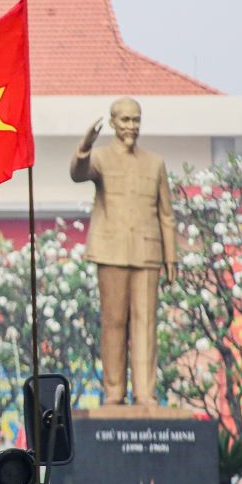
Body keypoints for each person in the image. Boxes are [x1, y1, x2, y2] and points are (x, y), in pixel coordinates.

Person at [70, 97, 177, 406]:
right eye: (125, 120)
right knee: (114, 323)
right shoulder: (100, 158)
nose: (131, 126)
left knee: (146, 325)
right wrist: (84, 146)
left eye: (136, 120)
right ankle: (114, 392)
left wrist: (171, 256)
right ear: (114, 122)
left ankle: (145, 393)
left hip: (147, 253)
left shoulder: (154, 163)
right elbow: (78, 173)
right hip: (111, 250)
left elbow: (166, 214)